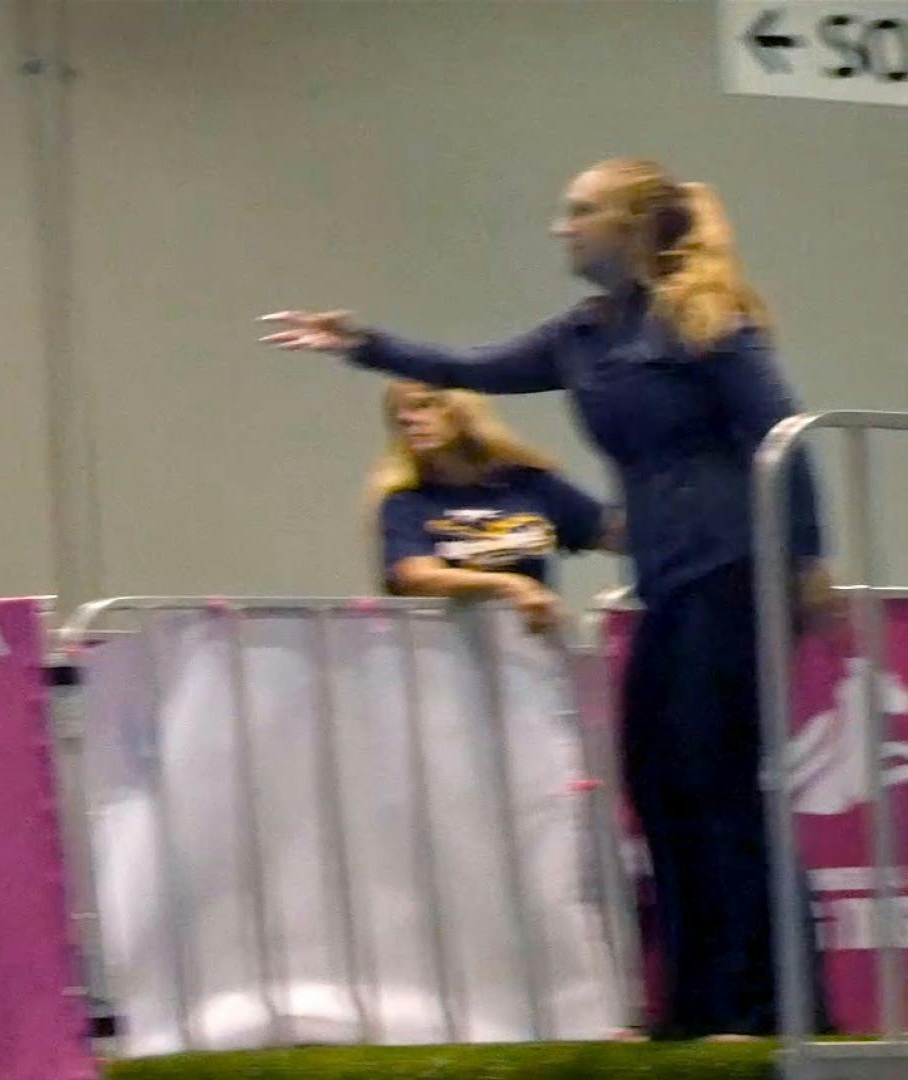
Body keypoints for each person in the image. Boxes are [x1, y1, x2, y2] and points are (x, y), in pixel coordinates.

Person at [260, 157, 836, 1040]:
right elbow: (468, 368)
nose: (561, 227)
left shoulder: (704, 316)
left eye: (581, 211)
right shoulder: (583, 335)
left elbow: (786, 439)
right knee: (659, 781)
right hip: (668, 582)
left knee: (716, 782)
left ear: (631, 225)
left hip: (736, 571)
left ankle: (768, 1004)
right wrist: (361, 344)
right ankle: (696, 1003)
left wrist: (809, 556)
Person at [370, 379, 619, 633]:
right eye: (398, 413)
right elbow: (417, 577)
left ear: (461, 407)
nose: (406, 419)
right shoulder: (407, 502)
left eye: (423, 405)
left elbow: (620, 535)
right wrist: (511, 586)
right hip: (449, 650)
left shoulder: (530, 485)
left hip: (533, 645)